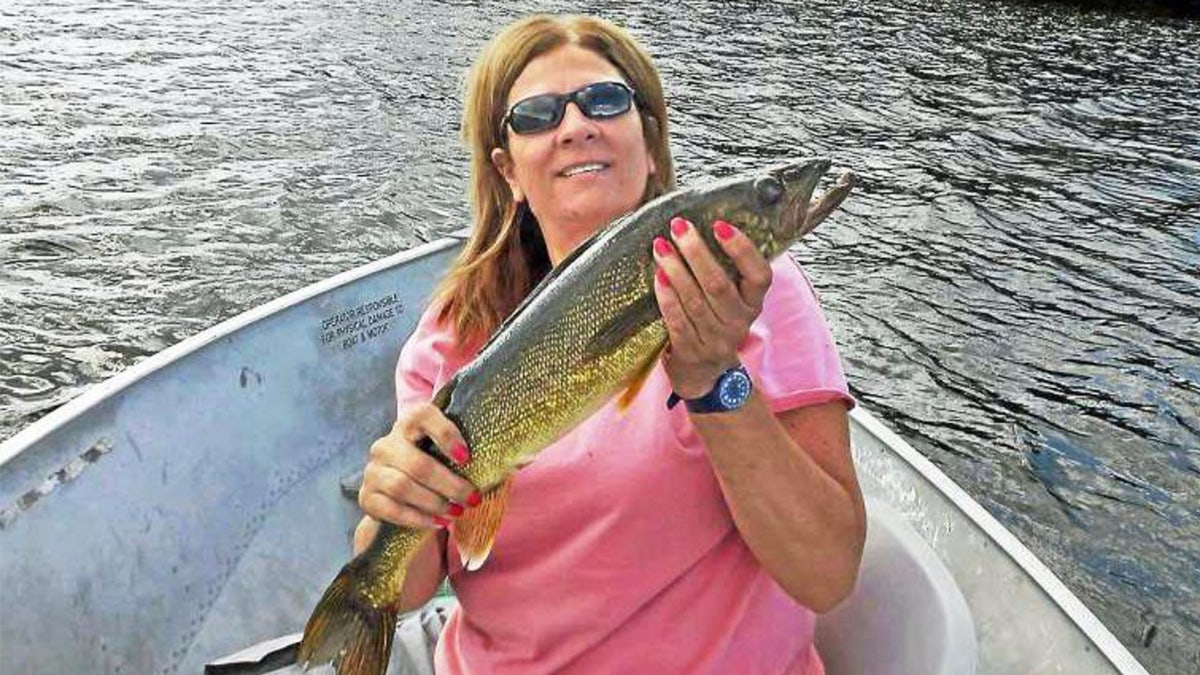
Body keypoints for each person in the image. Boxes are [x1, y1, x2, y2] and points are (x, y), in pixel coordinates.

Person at [354, 14, 865, 675]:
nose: (575, 126)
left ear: (649, 143)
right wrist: (391, 506)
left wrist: (713, 378)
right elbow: (411, 585)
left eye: (605, 100)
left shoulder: (760, 290)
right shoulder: (450, 342)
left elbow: (826, 575)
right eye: (537, 114)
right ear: (507, 169)